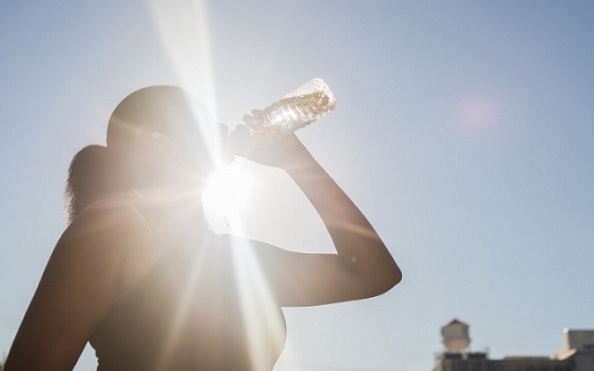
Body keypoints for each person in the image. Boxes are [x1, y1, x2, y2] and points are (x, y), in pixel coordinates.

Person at [5, 85, 401, 370]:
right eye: (203, 121)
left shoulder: (237, 260)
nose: (223, 128)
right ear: (157, 141)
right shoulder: (115, 229)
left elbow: (374, 274)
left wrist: (300, 165)